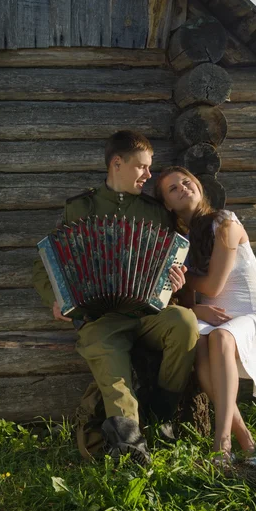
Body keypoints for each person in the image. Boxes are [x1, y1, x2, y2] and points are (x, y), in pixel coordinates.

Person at [32, 131, 199, 465]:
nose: (148, 176)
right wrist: (57, 297)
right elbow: (43, 265)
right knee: (115, 375)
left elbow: (167, 264)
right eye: (142, 167)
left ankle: (162, 415)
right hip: (99, 318)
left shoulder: (154, 212)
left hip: (145, 313)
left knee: (184, 323)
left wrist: (173, 281)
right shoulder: (82, 208)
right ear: (117, 163)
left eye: (150, 168)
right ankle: (131, 451)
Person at [155, 166, 256, 465]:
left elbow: (212, 285)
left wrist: (180, 274)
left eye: (187, 181)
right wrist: (194, 305)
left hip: (248, 311)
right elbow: (186, 300)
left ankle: (221, 446)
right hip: (213, 314)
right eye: (173, 188)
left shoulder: (225, 224)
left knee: (221, 338)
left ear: (198, 186)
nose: (183, 188)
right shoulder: (180, 241)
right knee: (199, 344)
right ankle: (246, 442)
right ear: (168, 204)